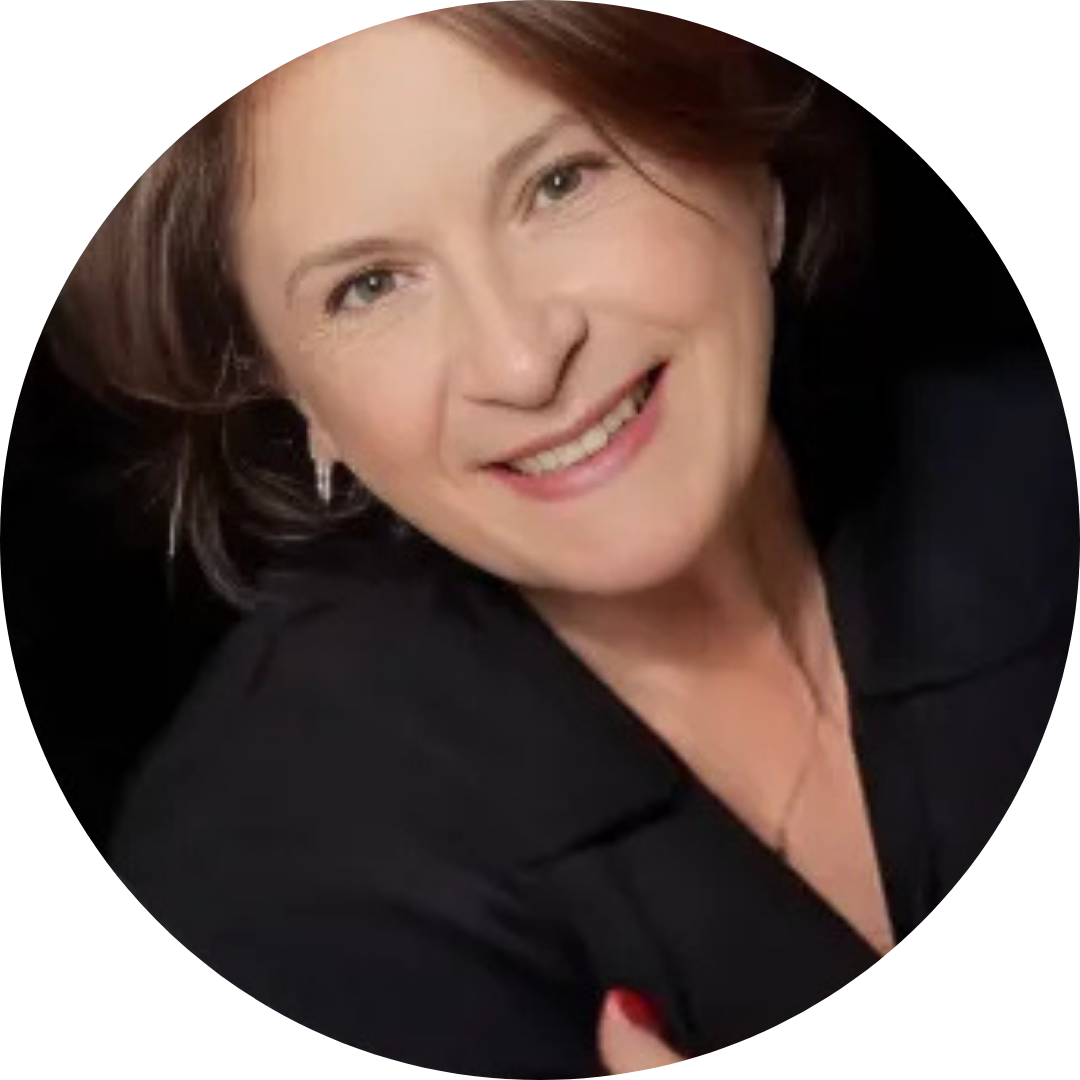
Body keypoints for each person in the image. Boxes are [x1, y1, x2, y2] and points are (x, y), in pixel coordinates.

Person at [44, 6, 1074, 1076]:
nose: (523, 361)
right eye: (370, 286)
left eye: (560, 182)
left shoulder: (1028, 471)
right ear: (298, 395)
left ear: (744, 156)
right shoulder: (262, 894)